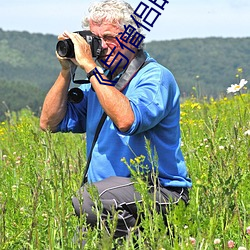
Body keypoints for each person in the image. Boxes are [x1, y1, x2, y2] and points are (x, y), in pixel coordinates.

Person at [40, 0, 192, 244]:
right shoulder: (100, 82)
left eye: (109, 37)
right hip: (110, 199)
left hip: (160, 192)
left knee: (88, 200)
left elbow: (127, 120)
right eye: (95, 38)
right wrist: (66, 70)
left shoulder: (154, 77)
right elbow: (49, 123)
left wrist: (90, 66)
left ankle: (146, 241)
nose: (101, 46)